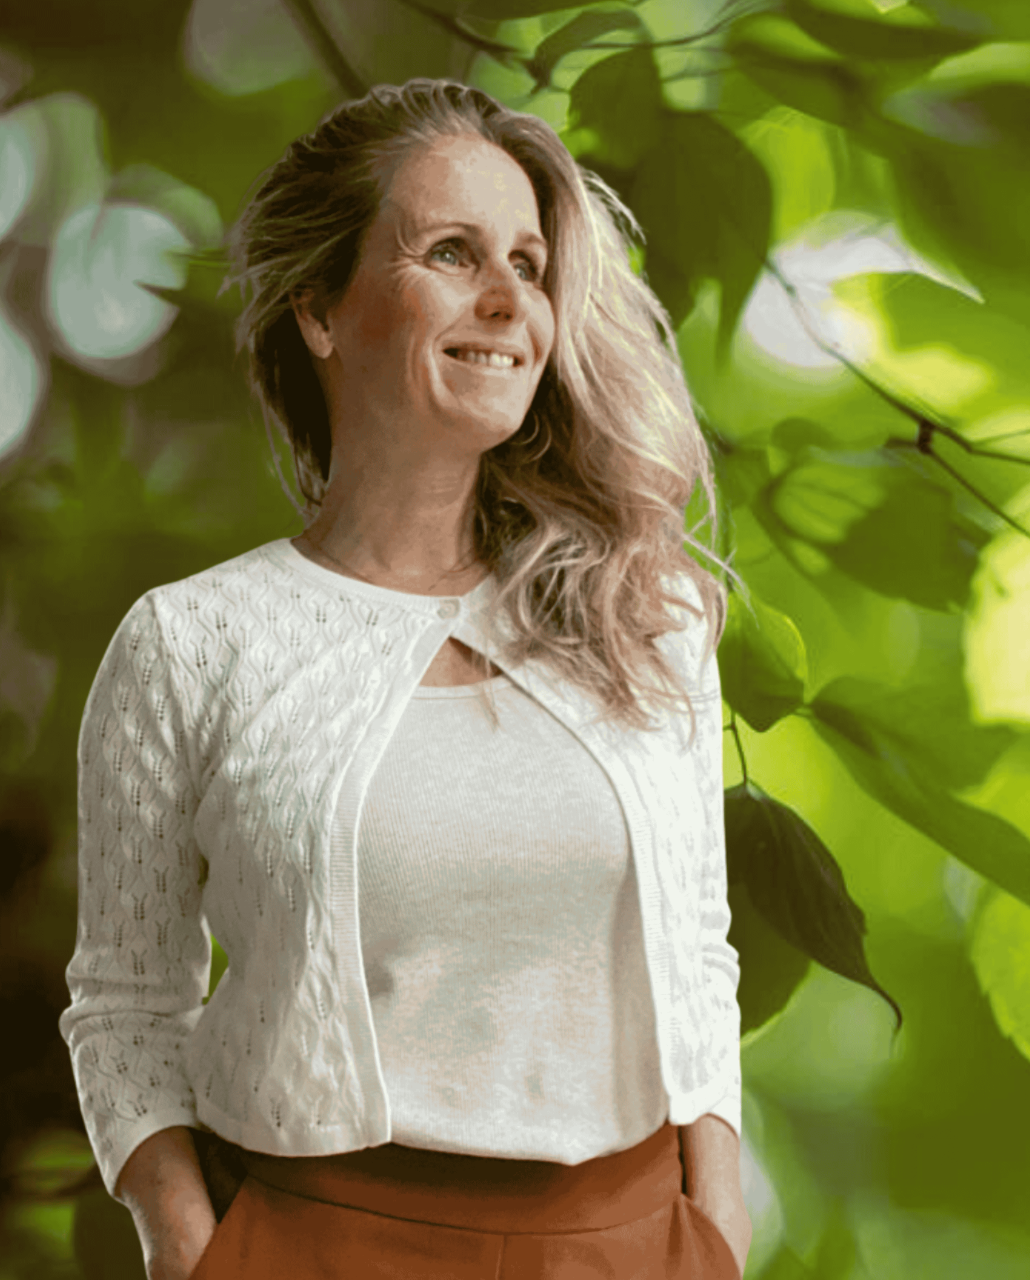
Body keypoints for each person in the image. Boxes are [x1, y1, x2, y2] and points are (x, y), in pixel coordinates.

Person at [58, 79, 754, 1280]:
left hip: (631, 1244)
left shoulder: (651, 615)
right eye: (451, 251)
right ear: (322, 309)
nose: (507, 301)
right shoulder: (193, 643)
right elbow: (123, 997)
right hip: (312, 1243)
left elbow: (699, 948)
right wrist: (192, 1244)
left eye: (531, 266)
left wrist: (715, 1230)